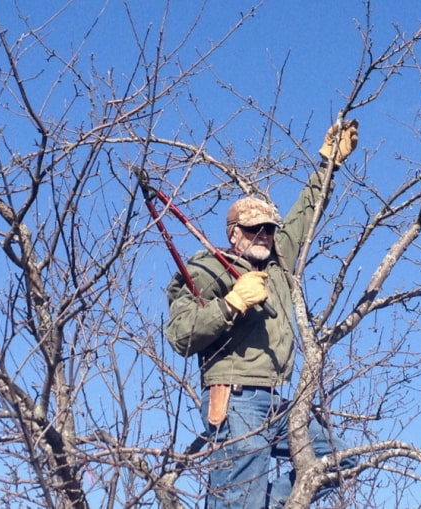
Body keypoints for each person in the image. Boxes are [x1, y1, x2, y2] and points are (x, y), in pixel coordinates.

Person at [165, 120, 359, 508]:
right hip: (234, 399)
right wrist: (230, 303)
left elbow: (305, 213)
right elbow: (180, 334)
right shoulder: (209, 267)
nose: (264, 236)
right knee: (239, 499)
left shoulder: (277, 264)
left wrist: (328, 166)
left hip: (275, 402)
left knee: (342, 461)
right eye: (254, 230)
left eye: (269, 229)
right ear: (234, 233)